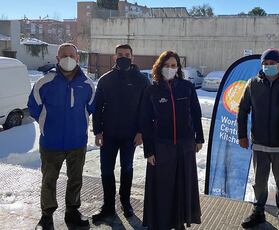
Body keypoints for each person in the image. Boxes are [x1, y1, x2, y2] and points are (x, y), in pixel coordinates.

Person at [28, 43, 95, 229]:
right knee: (48, 180)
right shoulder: (45, 82)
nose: (68, 58)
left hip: (77, 142)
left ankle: (72, 212)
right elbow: (34, 107)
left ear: (77, 58)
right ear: (57, 59)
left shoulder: (87, 84)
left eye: (71, 55)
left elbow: (90, 108)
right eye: (64, 55)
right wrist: (48, 125)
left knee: (76, 179)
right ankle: (46, 217)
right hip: (51, 142)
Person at [141, 50, 204, 230]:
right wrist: (149, 151)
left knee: (183, 184)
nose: (170, 68)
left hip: (185, 145)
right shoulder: (152, 89)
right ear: (159, 67)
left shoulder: (187, 87)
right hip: (162, 146)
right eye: (166, 65)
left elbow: (196, 113)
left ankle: (180, 221)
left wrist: (198, 138)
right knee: (164, 187)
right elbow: (145, 121)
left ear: (178, 68)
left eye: (173, 65)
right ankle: (162, 222)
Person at [92, 44, 150, 224]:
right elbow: (97, 107)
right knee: (106, 170)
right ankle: (108, 206)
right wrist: (97, 131)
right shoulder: (105, 80)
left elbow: (145, 109)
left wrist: (141, 132)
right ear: (114, 57)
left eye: (127, 54)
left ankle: (125, 201)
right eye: (120, 54)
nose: (123, 57)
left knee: (127, 168)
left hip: (130, 136)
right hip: (108, 135)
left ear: (132, 57)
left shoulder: (141, 80)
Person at [237, 49, 279, 229]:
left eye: (272, 63)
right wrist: (242, 135)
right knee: (259, 182)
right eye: (265, 64)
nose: (269, 66)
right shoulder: (253, 84)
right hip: (259, 144)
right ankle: (258, 212)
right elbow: (242, 110)